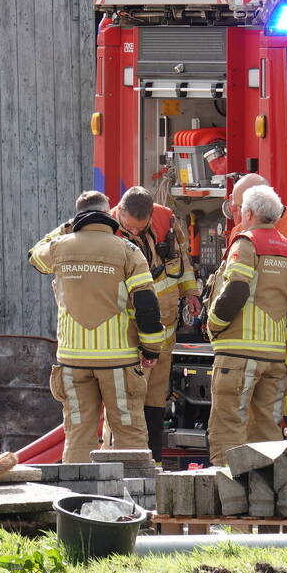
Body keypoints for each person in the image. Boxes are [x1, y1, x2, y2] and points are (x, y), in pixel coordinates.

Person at [29, 191, 164, 463]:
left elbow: (34, 255)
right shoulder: (128, 251)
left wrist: (69, 226)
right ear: (108, 213)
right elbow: (147, 304)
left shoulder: (59, 247)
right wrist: (151, 349)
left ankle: (77, 501)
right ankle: (132, 500)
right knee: (129, 434)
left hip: (73, 361)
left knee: (78, 434)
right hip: (118, 361)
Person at [205, 185, 287, 465]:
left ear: (249, 213)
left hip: (237, 354)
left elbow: (236, 289)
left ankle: (228, 504)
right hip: (274, 356)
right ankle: (266, 502)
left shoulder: (246, 243)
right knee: (268, 431)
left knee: (228, 429)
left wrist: (214, 324)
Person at [224, 174, 287, 442]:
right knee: (255, 422)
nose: (235, 214)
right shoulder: (240, 231)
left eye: (237, 207)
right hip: (254, 345)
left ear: (253, 205)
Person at [110, 187, 200, 460]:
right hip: (129, 334)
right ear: (119, 213)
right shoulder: (107, 229)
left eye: (141, 228)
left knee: (156, 395)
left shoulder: (166, 221)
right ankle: (126, 459)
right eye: (130, 228)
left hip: (164, 329)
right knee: (129, 397)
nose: (135, 233)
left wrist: (191, 293)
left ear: (151, 217)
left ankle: (153, 460)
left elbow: (181, 262)